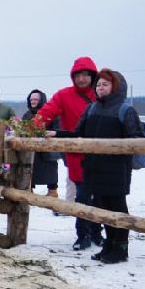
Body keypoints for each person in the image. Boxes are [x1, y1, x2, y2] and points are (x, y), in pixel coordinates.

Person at [48, 69, 144, 263]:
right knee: (102, 208)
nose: (100, 88)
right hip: (93, 169)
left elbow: (137, 140)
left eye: (105, 84)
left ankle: (121, 248)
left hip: (116, 170)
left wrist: (115, 149)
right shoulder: (92, 109)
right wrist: (57, 134)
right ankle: (109, 244)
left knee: (117, 207)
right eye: (98, 85)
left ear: (116, 87)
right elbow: (79, 134)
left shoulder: (125, 110)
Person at [35, 56, 103, 250]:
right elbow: (45, 114)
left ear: (93, 75)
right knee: (81, 196)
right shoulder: (64, 95)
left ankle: (97, 233)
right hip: (76, 155)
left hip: (101, 155)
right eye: (78, 75)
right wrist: (29, 129)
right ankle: (83, 235)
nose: (82, 79)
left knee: (99, 196)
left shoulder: (101, 94)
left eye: (85, 75)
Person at [23, 89, 61, 197]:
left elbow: (57, 128)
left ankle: (52, 191)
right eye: (31, 99)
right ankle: (29, 189)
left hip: (47, 149)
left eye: (36, 99)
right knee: (30, 169)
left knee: (51, 169)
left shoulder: (50, 113)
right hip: (31, 150)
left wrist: (48, 135)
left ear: (41, 100)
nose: (33, 102)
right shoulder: (27, 115)